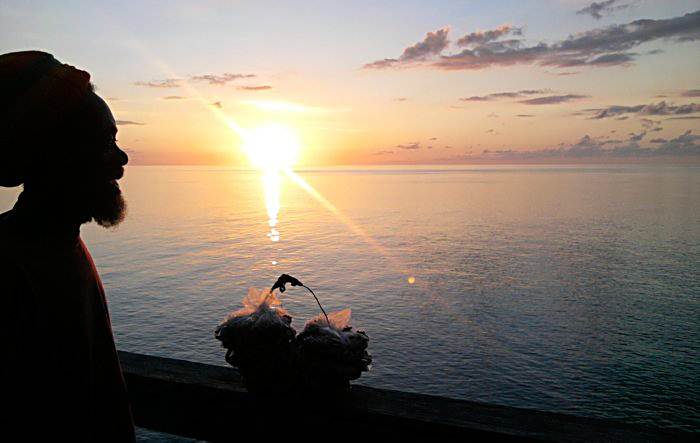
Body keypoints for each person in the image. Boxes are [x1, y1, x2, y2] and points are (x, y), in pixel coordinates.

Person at [0, 51, 134, 441]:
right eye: (105, 142)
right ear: (55, 156)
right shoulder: (11, 271)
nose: (121, 158)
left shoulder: (61, 243)